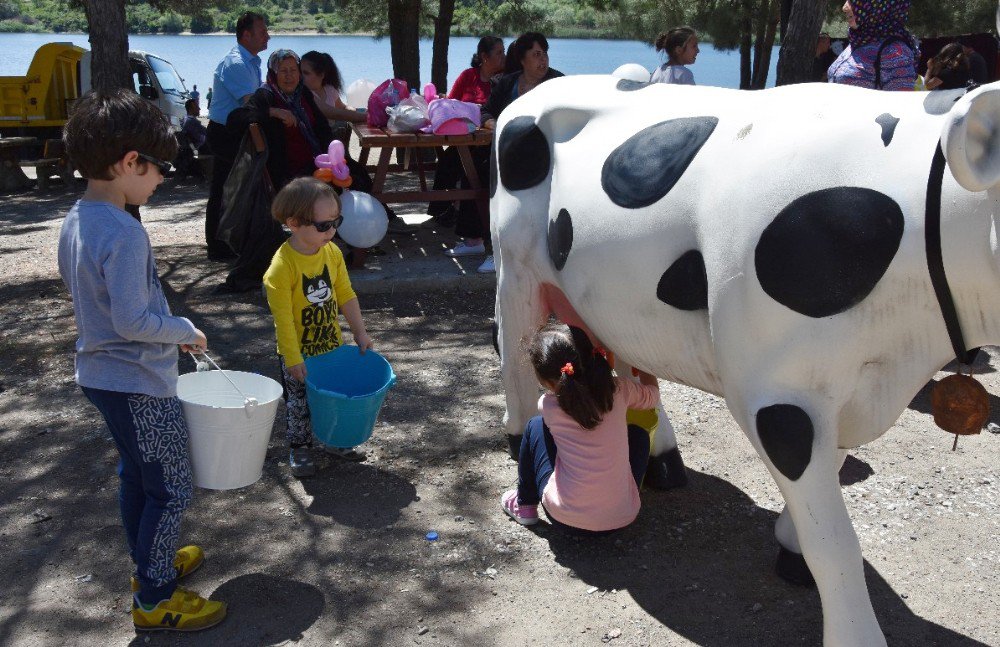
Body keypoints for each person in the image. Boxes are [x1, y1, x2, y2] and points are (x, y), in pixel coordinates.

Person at [57, 89, 225, 632]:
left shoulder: (77, 218)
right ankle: (154, 599)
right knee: (171, 486)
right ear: (130, 163)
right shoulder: (126, 232)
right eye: (159, 169)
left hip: (100, 376)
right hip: (137, 383)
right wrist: (183, 331)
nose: (160, 180)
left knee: (138, 477)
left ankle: (148, 564)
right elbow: (132, 321)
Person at [500, 322, 659, 533]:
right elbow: (653, 396)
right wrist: (645, 366)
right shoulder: (620, 389)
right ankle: (621, 494)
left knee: (535, 426)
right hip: (623, 516)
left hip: (565, 518)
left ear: (547, 380)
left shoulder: (548, 405)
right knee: (638, 434)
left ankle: (525, 505)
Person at [263, 177, 374, 476]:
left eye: (336, 221)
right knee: (299, 405)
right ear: (294, 223)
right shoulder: (281, 268)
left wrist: (359, 332)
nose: (332, 231)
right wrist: (292, 357)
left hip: (330, 346)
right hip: (298, 353)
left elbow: (346, 295)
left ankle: (335, 440)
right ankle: (300, 450)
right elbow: (283, 319)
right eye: (323, 225)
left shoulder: (332, 254)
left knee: (332, 397)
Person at [469, 32, 563, 274]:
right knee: (478, 176)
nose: (543, 60)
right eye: (537, 55)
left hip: (546, 159)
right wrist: (499, 125)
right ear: (522, 59)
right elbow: (485, 113)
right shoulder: (507, 83)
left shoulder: (558, 83)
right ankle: (493, 249)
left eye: (545, 54)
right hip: (507, 156)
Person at [205, 11, 269, 261]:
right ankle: (218, 245)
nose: (268, 36)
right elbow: (251, 103)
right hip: (226, 132)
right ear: (246, 35)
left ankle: (232, 241)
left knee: (238, 188)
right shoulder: (236, 64)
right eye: (263, 32)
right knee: (224, 189)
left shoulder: (251, 62)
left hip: (238, 129)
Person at [426, 35, 505, 229]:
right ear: (484, 57)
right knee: (447, 161)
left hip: (489, 143)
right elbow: (450, 104)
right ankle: (441, 211)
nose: (504, 57)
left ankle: (471, 217)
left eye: (504, 52)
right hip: (464, 138)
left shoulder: (505, 79)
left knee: (473, 168)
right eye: (499, 53)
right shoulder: (468, 75)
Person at [828, 0, 918, 90]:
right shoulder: (860, 40)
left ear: (880, 6)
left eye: (853, 1)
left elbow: (902, 102)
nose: (844, 7)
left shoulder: (895, 52)